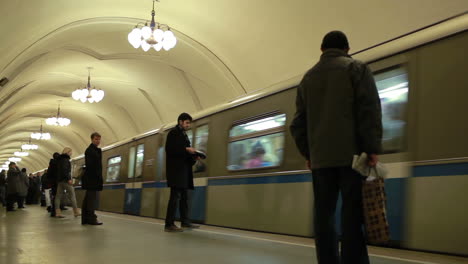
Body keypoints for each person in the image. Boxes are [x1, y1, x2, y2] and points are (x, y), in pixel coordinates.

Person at [290, 31, 382, 264]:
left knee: (324, 214)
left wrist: (309, 153)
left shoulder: (307, 78)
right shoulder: (357, 69)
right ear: (347, 49)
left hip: (321, 160)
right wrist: (371, 148)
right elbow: (368, 111)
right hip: (353, 157)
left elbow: (298, 123)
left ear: (321, 50)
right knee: (352, 214)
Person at [164, 113, 200, 232]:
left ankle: (185, 222)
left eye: (189, 123)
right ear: (180, 122)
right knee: (174, 198)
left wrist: (194, 157)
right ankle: (169, 224)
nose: (188, 125)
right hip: (176, 171)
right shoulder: (173, 133)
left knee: (184, 198)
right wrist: (186, 149)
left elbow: (186, 154)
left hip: (183, 171)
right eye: (187, 123)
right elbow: (170, 150)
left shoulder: (184, 135)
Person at [81, 132, 103, 225]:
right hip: (92, 179)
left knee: (88, 199)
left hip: (93, 179)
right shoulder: (90, 150)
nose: (98, 141)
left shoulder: (95, 150)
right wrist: (98, 176)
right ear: (92, 139)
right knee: (91, 200)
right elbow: (92, 166)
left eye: (99, 139)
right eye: (96, 139)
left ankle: (86, 218)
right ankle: (91, 219)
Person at [54, 147, 80, 218]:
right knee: (72, 195)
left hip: (60, 181)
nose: (71, 153)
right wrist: (69, 179)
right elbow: (65, 170)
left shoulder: (59, 160)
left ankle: (57, 212)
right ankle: (76, 212)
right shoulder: (66, 160)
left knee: (58, 197)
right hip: (65, 180)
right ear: (68, 152)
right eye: (71, 152)